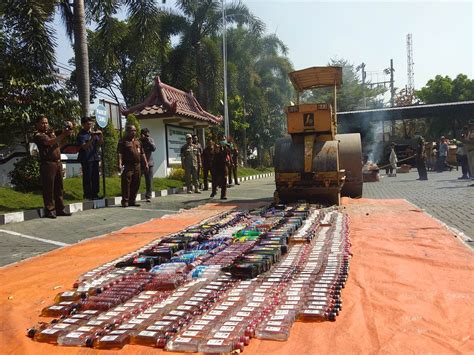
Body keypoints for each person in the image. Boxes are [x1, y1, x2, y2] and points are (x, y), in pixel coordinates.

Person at [34, 115, 73, 218]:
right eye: (42, 123)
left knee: (59, 187)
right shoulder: (38, 135)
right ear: (37, 124)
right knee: (48, 188)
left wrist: (68, 127)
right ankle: (50, 209)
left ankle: (60, 209)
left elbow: (63, 133)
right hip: (48, 164)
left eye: (46, 122)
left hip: (57, 163)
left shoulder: (51, 133)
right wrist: (63, 134)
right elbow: (49, 142)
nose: (45, 124)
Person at [117, 125, 148, 207]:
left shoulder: (138, 142)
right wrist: (119, 163)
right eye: (132, 130)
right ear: (127, 131)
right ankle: (125, 201)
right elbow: (119, 153)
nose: (134, 132)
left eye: (135, 130)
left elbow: (142, 153)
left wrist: (146, 163)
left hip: (137, 165)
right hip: (128, 165)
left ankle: (132, 200)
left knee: (136, 183)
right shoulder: (123, 141)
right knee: (126, 183)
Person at [77, 117, 103, 200]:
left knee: (96, 177)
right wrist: (92, 138)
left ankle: (95, 194)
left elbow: (100, 143)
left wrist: (100, 135)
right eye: (88, 124)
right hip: (86, 158)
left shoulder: (93, 133)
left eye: (91, 124)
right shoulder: (81, 134)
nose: (90, 125)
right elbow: (84, 146)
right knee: (87, 177)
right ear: (83, 124)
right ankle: (87, 195)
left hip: (95, 157)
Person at [139, 128, 156, 202]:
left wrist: (148, 140)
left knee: (149, 181)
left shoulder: (150, 140)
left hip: (149, 163)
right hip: (140, 163)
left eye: (147, 135)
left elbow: (154, 148)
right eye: (145, 135)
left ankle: (148, 195)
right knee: (136, 180)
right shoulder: (139, 141)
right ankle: (133, 195)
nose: (147, 136)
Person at [211, 135, 230, 200]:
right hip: (216, 165)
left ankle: (223, 195)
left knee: (224, 180)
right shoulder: (217, 146)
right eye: (222, 140)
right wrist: (219, 147)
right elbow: (215, 152)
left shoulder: (227, 147)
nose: (223, 141)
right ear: (219, 141)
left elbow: (228, 154)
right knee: (215, 179)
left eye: (224, 139)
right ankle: (214, 191)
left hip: (224, 165)